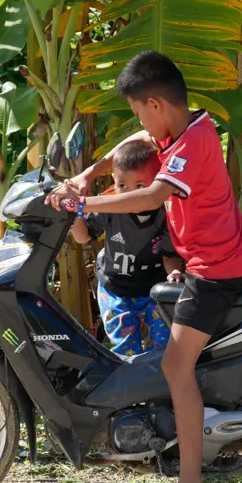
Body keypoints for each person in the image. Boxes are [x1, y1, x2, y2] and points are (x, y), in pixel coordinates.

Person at [48, 51, 242, 483]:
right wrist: (89, 171)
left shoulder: (189, 147)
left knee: (174, 364)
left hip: (216, 270)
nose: (140, 122)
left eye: (140, 110)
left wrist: (84, 200)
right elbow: (136, 139)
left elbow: (150, 196)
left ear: (155, 103)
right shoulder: (188, 127)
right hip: (214, 261)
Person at [70, 139, 185, 356]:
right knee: (125, 351)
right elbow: (83, 237)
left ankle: (156, 384)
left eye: (140, 186)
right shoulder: (110, 204)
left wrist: (175, 272)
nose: (130, 194)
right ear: (114, 182)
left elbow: (170, 255)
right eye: (122, 185)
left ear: (158, 182)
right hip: (115, 291)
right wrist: (73, 213)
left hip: (153, 289)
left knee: (163, 347)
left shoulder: (167, 212)